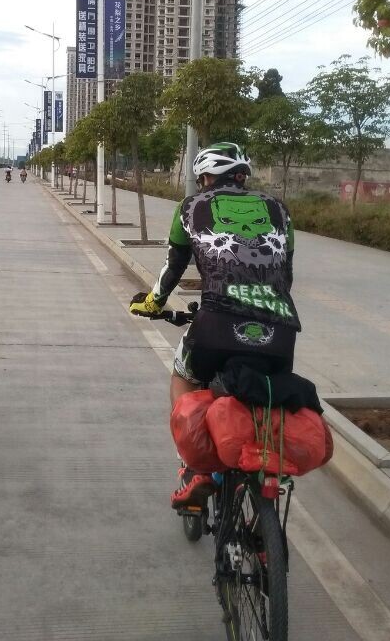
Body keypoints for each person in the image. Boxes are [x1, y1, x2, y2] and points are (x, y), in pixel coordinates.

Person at [129, 143, 299, 509]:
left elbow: (174, 267)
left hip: (217, 323)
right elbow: (285, 274)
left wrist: (153, 303)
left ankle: (197, 467)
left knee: (183, 376)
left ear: (205, 177)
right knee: (269, 392)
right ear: (242, 176)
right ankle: (265, 465)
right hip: (281, 329)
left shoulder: (190, 206)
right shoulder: (279, 209)